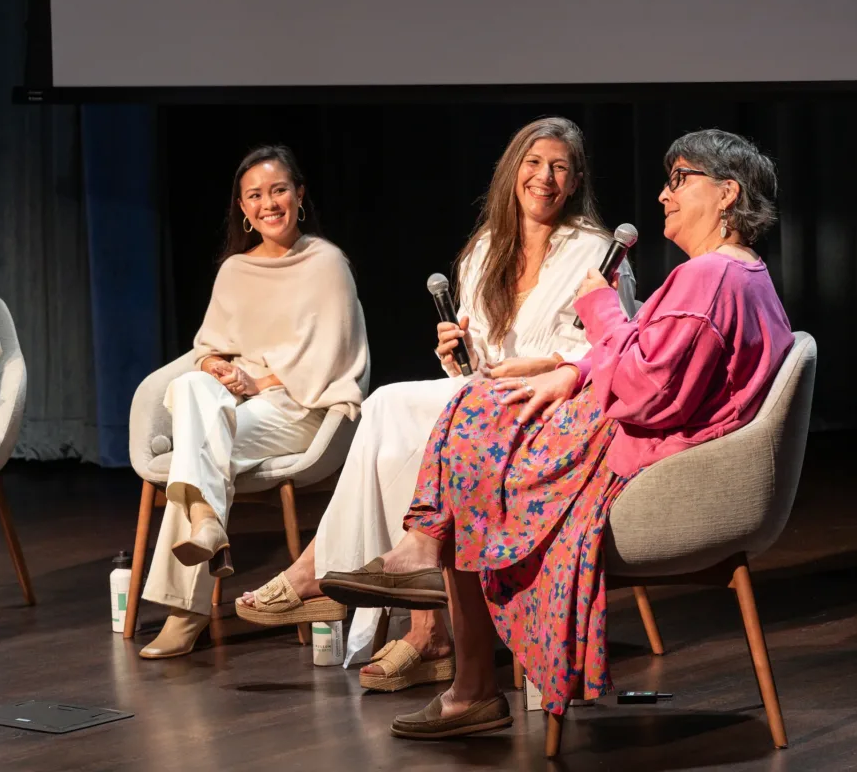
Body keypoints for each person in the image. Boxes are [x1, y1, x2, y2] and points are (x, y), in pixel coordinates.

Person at [319, 129, 794, 739]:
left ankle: (465, 666)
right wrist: (570, 373)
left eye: (679, 179)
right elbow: (650, 359)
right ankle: (427, 565)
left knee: (478, 461)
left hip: (645, 459)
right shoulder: (730, 275)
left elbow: (645, 389)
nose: (662, 195)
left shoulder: (711, 278)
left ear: (727, 194)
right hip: (646, 439)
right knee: (480, 410)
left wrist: (598, 310)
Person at [236, 117, 637, 689]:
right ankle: (427, 631)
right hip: (483, 399)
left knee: (394, 411)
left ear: (574, 183)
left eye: (559, 168)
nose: (544, 177)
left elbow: (610, 347)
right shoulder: (483, 251)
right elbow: (477, 364)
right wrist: (457, 354)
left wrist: (544, 368)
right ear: (511, 171)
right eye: (533, 163)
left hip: (549, 406)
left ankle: (325, 577)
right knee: (395, 421)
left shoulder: (597, 253)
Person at [138, 145, 369, 659]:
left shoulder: (327, 263)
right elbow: (206, 347)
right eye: (255, 196)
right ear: (242, 208)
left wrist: (259, 382)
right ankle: (207, 523)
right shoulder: (235, 270)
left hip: (302, 410)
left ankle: (186, 611)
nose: (269, 203)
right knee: (194, 388)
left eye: (279, 190)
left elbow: (336, 358)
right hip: (240, 410)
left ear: (300, 195)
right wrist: (216, 368)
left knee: (193, 456)